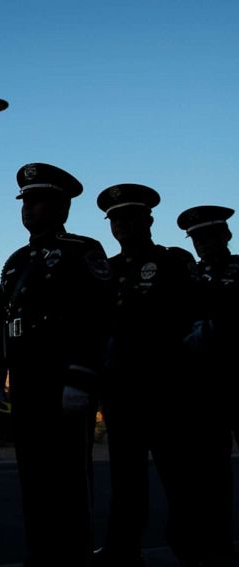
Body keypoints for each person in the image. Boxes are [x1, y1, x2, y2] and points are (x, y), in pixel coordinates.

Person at [0, 163, 114, 567]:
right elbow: (2, 320)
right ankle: (40, 554)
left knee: (69, 482)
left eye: (39, 200)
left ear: (61, 206)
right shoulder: (15, 261)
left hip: (63, 383)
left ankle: (74, 555)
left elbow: (98, 316)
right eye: (26, 201)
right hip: (26, 384)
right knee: (34, 479)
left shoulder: (83, 250)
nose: (29, 208)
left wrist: (80, 376)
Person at [92, 184, 200, 566]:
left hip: (166, 385)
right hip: (121, 388)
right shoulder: (108, 269)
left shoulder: (173, 260)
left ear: (148, 219)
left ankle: (190, 545)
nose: (122, 224)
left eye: (130, 216)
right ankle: (124, 546)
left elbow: (194, 315)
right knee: (126, 477)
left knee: (180, 473)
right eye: (116, 218)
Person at [177, 205, 239, 566]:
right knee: (213, 473)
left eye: (210, 237)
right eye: (198, 239)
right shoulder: (191, 278)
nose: (204, 244)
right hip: (206, 388)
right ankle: (219, 543)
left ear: (226, 237)